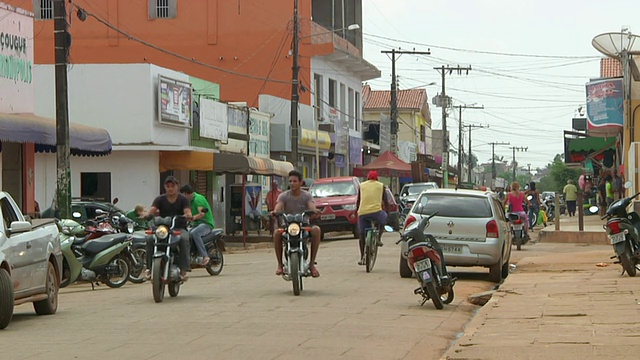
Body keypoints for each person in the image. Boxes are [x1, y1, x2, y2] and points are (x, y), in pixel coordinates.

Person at [270, 170, 321, 277]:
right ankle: (280, 265)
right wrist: (275, 212)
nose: (292, 183)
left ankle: (312, 264)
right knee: (276, 233)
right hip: (288, 226)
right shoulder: (283, 196)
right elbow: (278, 206)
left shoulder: (307, 196)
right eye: (290, 181)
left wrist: (314, 211)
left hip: (303, 225)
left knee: (316, 230)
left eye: (295, 181)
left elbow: (311, 206)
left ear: (301, 182)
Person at [144, 176, 192, 281]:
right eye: (168, 186)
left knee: (184, 239)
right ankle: (148, 268)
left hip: (178, 228)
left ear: (177, 186)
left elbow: (187, 211)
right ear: (165, 187)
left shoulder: (183, 199)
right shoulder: (159, 199)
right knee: (149, 239)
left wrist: (187, 215)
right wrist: (147, 215)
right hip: (162, 229)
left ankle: (183, 270)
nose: (170, 188)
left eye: (172, 186)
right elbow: (152, 210)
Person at [356, 170, 388, 266]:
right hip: (376, 212)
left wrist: (358, 211)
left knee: (362, 234)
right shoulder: (381, 186)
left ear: (368, 178)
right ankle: (378, 238)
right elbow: (385, 201)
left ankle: (362, 257)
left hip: (363, 213)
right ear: (377, 178)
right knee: (383, 219)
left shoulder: (361, 185)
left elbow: (358, 201)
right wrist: (387, 213)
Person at [180, 184, 214, 266]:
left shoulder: (198, 199)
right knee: (185, 234)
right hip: (196, 224)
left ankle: (205, 256)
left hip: (206, 224)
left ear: (187, 194)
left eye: (183, 195)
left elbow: (201, 214)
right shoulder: (190, 202)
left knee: (195, 233)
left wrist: (193, 218)